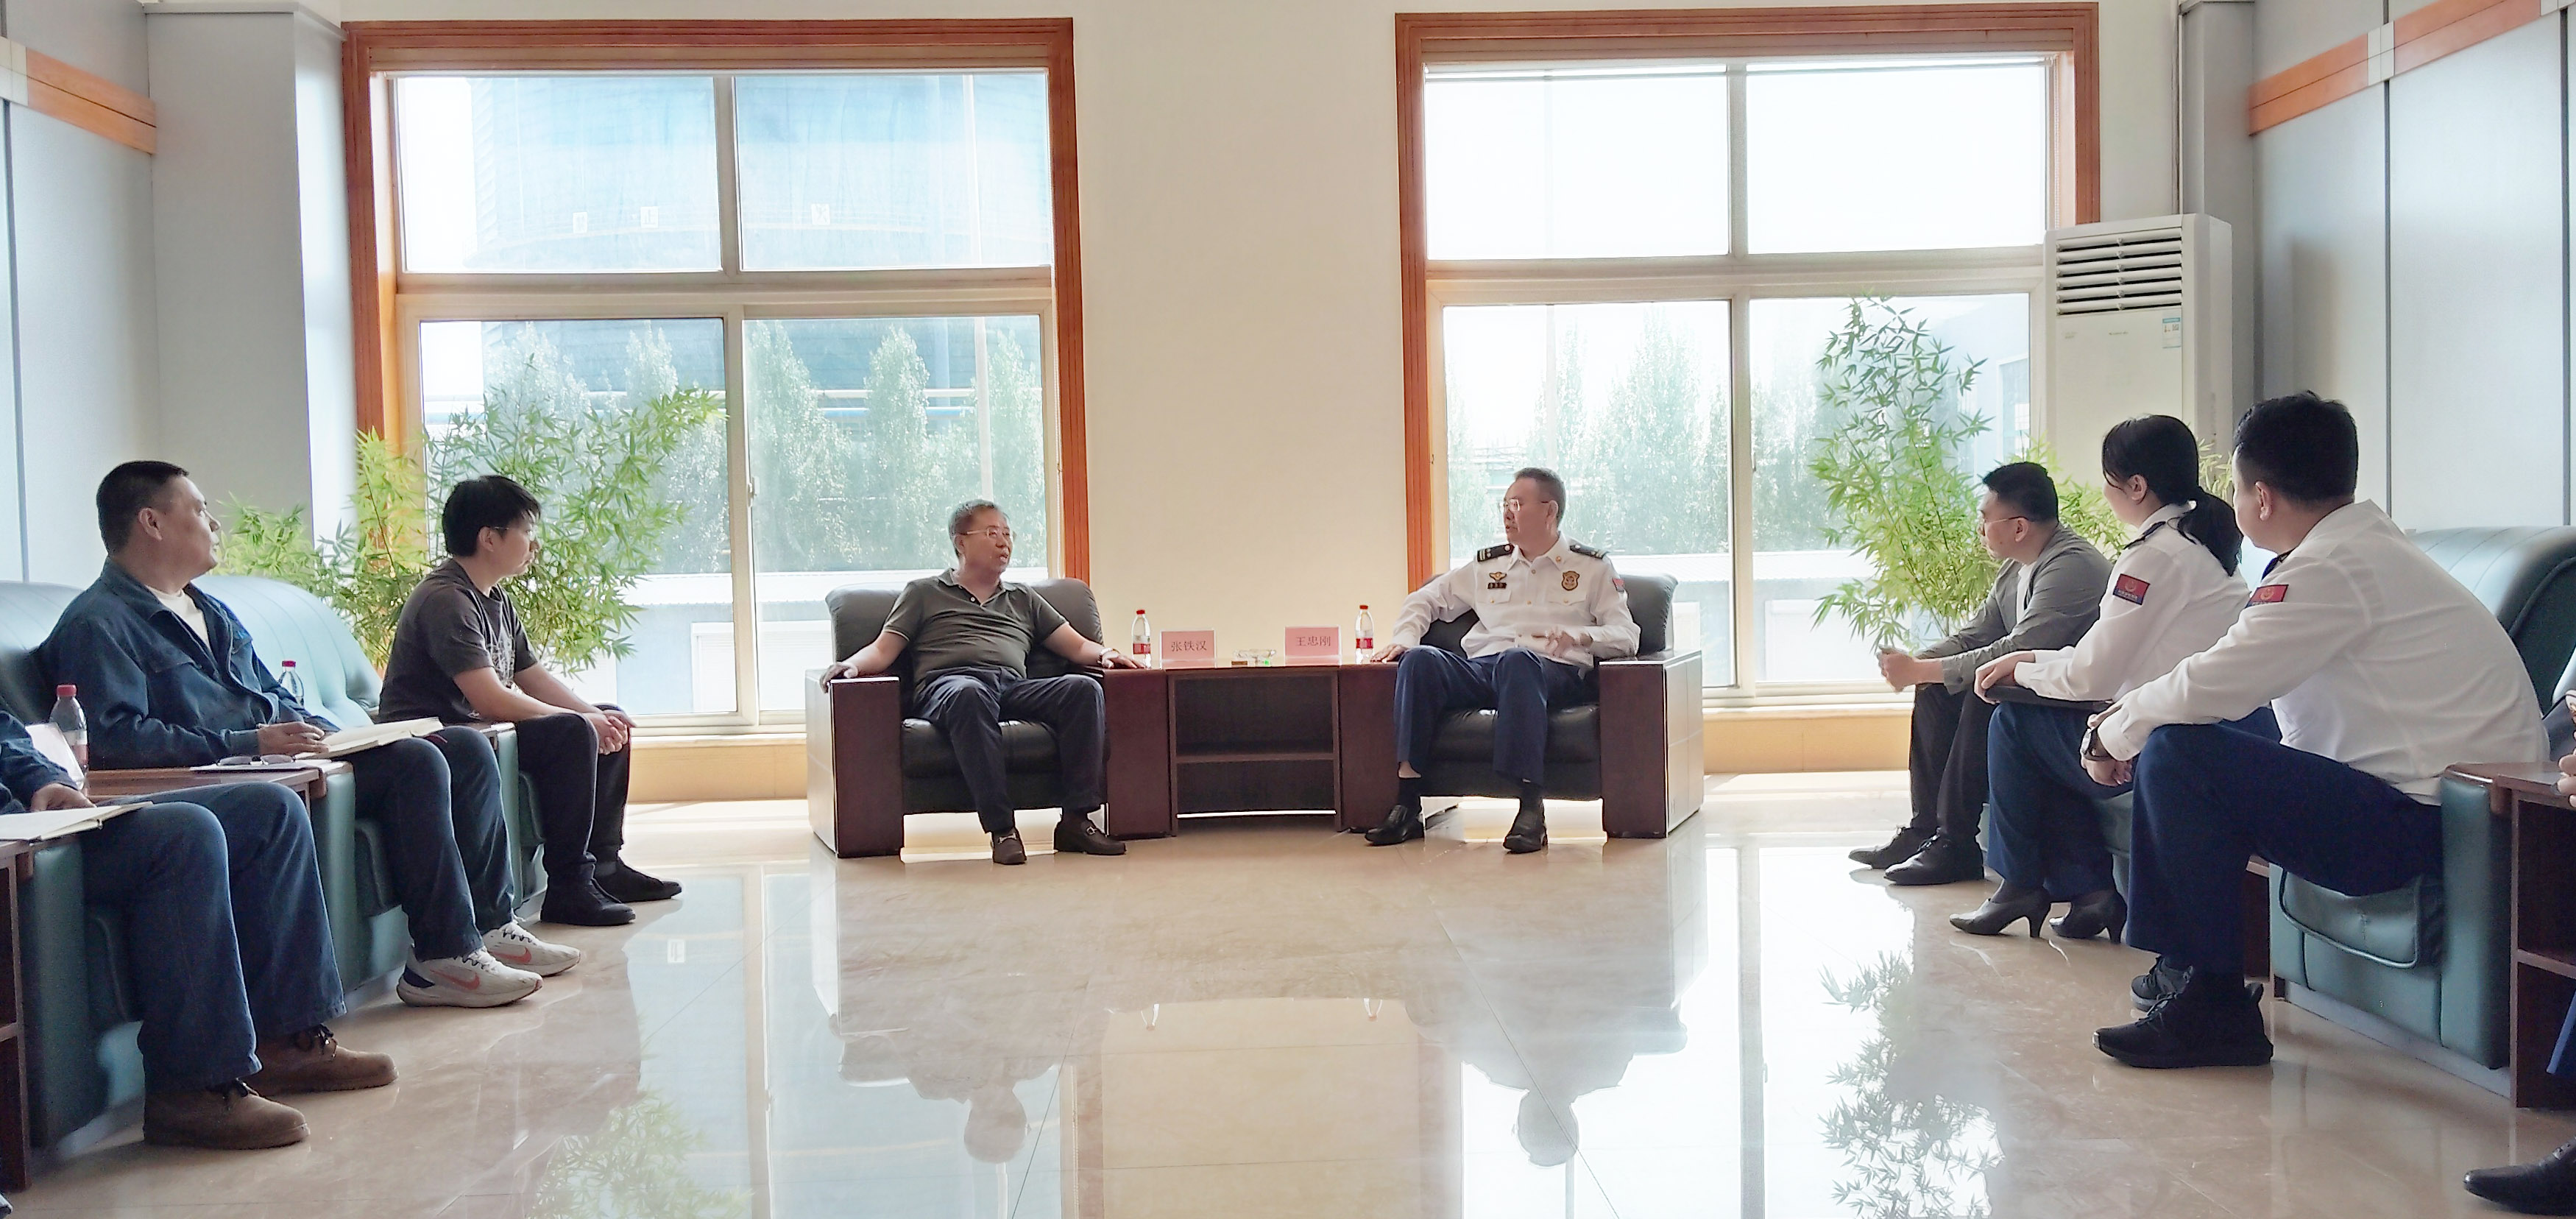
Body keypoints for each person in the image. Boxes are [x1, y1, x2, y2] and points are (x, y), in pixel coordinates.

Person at [2082, 392, 2547, 1069]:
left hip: (2423, 823)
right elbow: (2236, 682)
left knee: (2179, 751)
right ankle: (2186, 972)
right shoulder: (2356, 551)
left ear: (2262, 497)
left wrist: (2113, 733)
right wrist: (2133, 723)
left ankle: (2210, 1002)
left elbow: (2218, 677)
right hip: (2415, 804)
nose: (2233, 502)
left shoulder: (2332, 568)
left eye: (2235, 488)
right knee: (2183, 739)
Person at [38, 461, 575, 1010]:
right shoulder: (98, 623)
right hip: (230, 777)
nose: (214, 523)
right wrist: (250, 742)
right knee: (418, 764)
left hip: (287, 761)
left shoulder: (209, 609)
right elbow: (115, 739)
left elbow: (271, 691)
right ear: (151, 522)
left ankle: (487, 929)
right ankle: (445, 956)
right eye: (199, 510)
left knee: (456, 747)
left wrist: (328, 735)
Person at [0, 710, 395, 1148]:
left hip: (34, 820)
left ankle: (286, 1043)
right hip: (11, 839)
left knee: (272, 811)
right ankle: (189, 1090)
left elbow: (5, 731)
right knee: (186, 835)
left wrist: (44, 780)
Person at [1953, 416, 2274, 939]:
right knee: (2051, 726)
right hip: (2222, 733)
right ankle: (2091, 896)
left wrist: (2024, 667)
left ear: (2136, 487)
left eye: (2108, 480)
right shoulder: (2201, 542)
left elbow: (2092, 676)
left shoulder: (2151, 558)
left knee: (2015, 724)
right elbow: (2111, 663)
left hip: (2174, 743)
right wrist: (2033, 663)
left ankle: (2022, 885)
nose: (2104, 492)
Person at [376, 476, 680, 926]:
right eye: (526, 532)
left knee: (606, 719)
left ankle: (606, 867)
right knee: (576, 729)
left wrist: (594, 715)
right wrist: (582, 722)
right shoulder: (447, 600)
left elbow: (531, 677)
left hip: (487, 734)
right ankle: (570, 886)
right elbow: (490, 698)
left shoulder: (495, 598)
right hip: (442, 741)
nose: (534, 545)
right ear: (489, 538)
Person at [820, 499, 1142, 865]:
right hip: (950, 686)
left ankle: (1076, 822)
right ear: (961, 542)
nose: (1004, 542)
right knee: (970, 693)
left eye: (1007, 533)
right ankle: (1002, 829)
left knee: (1083, 689)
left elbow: (1077, 645)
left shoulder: (1022, 598)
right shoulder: (924, 592)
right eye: (992, 533)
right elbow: (883, 649)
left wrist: (1107, 653)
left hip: (1010, 686)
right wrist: (850, 665)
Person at [1851, 462, 2111, 886]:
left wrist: (1922, 669)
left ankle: (1955, 844)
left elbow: (2017, 651)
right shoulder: (2018, 565)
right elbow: (1977, 634)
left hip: (2076, 700)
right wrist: (1918, 666)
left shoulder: (2072, 566)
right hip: (2035, 690)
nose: (1980, 529)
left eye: (1986, 518)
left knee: (1984, 687)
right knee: (1937, 690)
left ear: (2019, 527)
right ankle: (1924, 830)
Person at [1361, 466, 1640, 855]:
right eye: (1505, 504)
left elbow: (1627, 636)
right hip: (1485, 669)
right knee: (1420, 661)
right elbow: (1424, 599)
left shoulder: (1591, 568)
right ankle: (1408, 802)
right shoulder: (1487, 567)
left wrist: (1581, 636)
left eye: (1518, 504)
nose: (1507, 513)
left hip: (1551, 670)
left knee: (1518, 661)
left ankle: (1530, 808)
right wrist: (1405, 639)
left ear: (1549, 511)